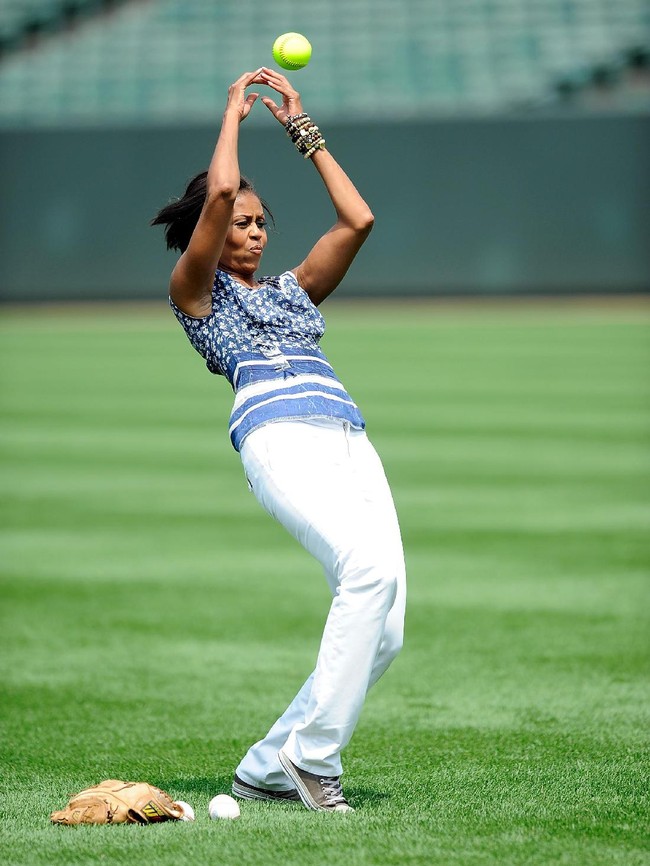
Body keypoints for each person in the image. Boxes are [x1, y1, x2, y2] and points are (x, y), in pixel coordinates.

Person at [151, 68, 406, 813]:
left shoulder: (291, 290)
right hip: (278, 435)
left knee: (385, 627)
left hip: (349, 438)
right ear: (210, 229)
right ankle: (312, 759)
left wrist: (305, 133)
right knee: (364, 573)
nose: (253, 230)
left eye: (262, 222)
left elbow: (357, 221)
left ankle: (267, 766)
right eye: (239, 221)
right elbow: (221, 192)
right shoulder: (194, 293)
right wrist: (233, 114)